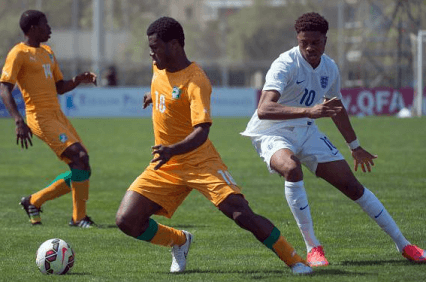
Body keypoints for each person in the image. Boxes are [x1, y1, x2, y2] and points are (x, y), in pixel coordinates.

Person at [115, 16, 313, 275]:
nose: (151, 54)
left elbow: (202, 131)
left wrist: (172, 149)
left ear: (174, 45)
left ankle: (295, 260)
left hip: (200, 161)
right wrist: (152, 96)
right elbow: (165, 88)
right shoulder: (159, 68)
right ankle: (179, 241)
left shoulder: (197, 81)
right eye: (150, 48)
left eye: (155, 48)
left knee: (242, 214)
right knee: (127, 221)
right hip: (166, 164)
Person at [241, 12, 426, 267]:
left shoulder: (330, 67)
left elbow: (335, 106)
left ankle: (404, 244)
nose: (309, 47)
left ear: (325, 40)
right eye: (304, 42)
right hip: (273, 131)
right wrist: (309, 111)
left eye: (315, 42)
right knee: (292, 169)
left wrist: (355, 146)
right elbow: (264, 108)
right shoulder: (285, 64)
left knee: (352, 186)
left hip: (307, 130)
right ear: (298, 39)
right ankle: (313, 248)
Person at [0, 10, 97, 228]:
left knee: (83, 166)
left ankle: (33, 201)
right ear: (33, 28)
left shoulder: (48, 52)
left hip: (57, 114)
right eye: (46, 24)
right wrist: (17, 120)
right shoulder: (18, 53)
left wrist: (78, 80)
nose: (50, 28)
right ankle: (79, 218)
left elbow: (59, 87)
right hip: (39, 117)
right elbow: (5, 88)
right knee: (79, 157)